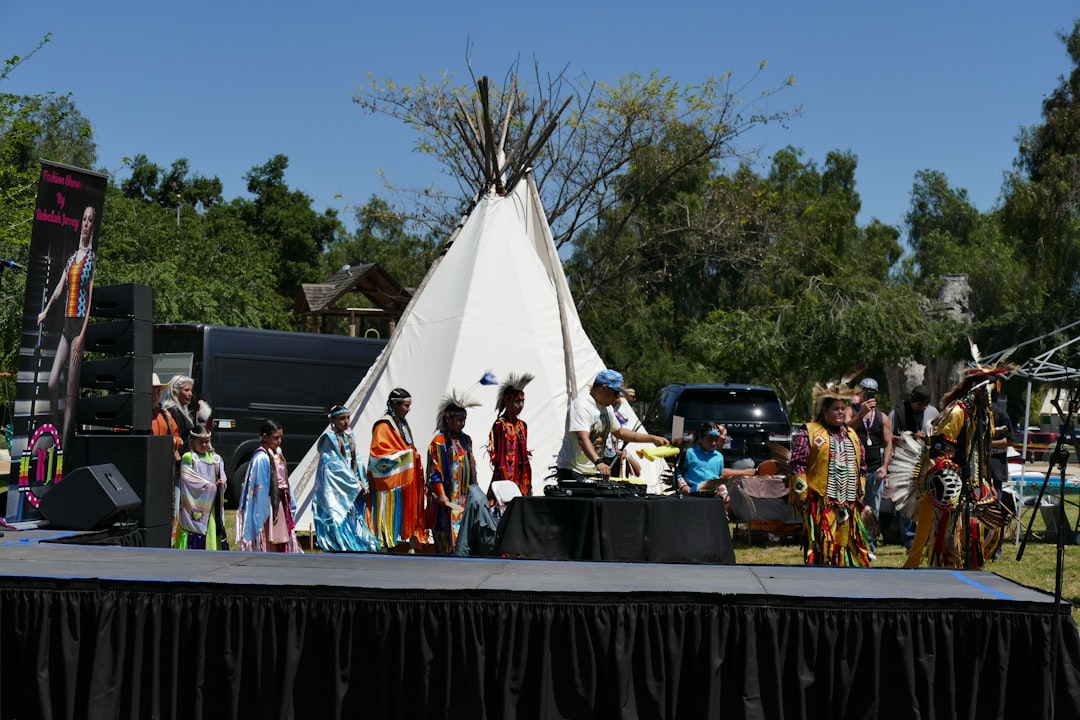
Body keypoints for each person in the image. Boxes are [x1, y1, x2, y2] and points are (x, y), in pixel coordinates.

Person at [902, 364, 1013, 569]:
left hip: (975, 483)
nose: (992, 396)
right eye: (990, 389)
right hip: (954, 485)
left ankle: (968, 569)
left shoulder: (983, 414)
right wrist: (952, 481)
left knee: (981, 530)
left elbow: (981, 453)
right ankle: (946, 569)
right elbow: (939, 452)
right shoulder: (957, 412)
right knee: (951, 534)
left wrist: (986, 481)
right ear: (979, 389)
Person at [789, 379, 873, 567]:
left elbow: (862, 467)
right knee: (823, 546)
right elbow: (798, 464)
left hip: (849, 505)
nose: (841, 412)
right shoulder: (809, 432)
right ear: (824, 411)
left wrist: (860, 492)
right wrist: (802, 495)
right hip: (820, 504)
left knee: (848, 546)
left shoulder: (851, 435)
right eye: (835, 409)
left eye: (843, 408)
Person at [36, 203, 97, 448]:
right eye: (83, 219)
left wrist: (83, 335)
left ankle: (65, 444)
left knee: (71, 392)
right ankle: (58, 431)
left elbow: (90, 298)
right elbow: (60, 288)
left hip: (79, 325)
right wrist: (46, 311)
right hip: (65, 327)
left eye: (90, 220)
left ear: (93, 226)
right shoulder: (72, 258)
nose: (85, 224)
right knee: (52, 383)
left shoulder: (92, 259)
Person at [555, 369, 668, 481]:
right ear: (603, 388)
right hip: (573, 471)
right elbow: (582, 439)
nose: (617, 398)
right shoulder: (581, 406)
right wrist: (599, 462)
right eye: (615, 393)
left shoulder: (607, 408)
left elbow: (620, 433)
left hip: (594, 470)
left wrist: (652, 439)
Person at [313, 405, 379, 552]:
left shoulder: (350, 436)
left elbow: (357, 460)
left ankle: (353, 542)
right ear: (333, 420)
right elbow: (333, 467)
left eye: (348, 418)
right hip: (337, 488)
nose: (346, 421)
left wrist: (361, 479)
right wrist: (354, 482)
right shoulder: (329, 439)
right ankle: (339, 543)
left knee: (353, 517)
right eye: (342, 419)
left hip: (351, 483)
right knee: (338, 515)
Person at [368, 388, 426, 551]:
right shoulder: (383, 425)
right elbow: (378, 454)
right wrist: (407, 456)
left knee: (406, 513)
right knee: (389, 514)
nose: (409, 409)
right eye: (406, 405)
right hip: (390, 483)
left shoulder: (402, 423)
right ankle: (388, 545)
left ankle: (409, 543)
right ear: (395, 404)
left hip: (404, 481)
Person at [236, 419, 302, 553]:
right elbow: (259, 487)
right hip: (269, 504)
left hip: (280, 504)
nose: (279, 441)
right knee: (268, 536)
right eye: (276, 438)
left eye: (280, 438)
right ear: (265, 437)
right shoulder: (261, 458)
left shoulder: (278, 455)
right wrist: (262, 511)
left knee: (280, 538)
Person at [427, 392, 480, 555]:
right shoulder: (439, 442)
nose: (462, 424)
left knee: (463, 542)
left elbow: (472, 470)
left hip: (463, 501)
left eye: (464, 419)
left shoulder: (466, 440)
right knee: (445, 543)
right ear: (447, 419)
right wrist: (441, 495)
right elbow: (434, 472)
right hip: (446, 503)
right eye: (459, 420)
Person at [887, 384, 939, 549]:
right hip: (904, 463)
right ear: (911, 400)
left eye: (924, 406)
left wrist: (928, 437)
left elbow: (939, 434)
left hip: (927, 463)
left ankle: (927, 536)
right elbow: (889, 437)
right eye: (918, 405)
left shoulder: (933, 413)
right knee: (907, 500)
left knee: (929, 500)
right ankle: (909, 540)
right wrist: (909, 438)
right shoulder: (897, 413)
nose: (921, 408)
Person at [848, 378, 893, 550]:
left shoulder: (882, 417)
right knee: (853, 505)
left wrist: (885, 466)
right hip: (853, 468)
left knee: (872, 508)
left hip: (874, 468)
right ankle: (853, 541)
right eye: (865, 392)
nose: (868, 396)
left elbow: (889, 443)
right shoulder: (850, 412)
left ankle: (869, 544)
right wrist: (861, 414)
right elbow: (845, 430)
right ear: (859, 393)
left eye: (871, 393)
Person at [174, 424, 228, 550]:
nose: (204, 445)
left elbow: (223, 476)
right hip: (193, 507)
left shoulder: (215, 458)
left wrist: (222, 483)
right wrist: (212, 487)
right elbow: (188, 479)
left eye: (207, 442)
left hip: (211, 507)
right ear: (192, 441)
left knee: (211, 534)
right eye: (201, 442)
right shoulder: (189, 457)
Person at [675, 422, 756, 498]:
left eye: (716, 440)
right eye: (710, 439)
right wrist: (683, 486)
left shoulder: (719, 457)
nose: (713, 443)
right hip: (691, 493)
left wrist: (724, 493)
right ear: (700, 437)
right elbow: (678, 472)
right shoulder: (689, 453)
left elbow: (718, 477)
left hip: (712, 495)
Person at [488, 372, 534, 498]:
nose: (521, 405)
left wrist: (528, 484)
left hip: (522, 481)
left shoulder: (522, 426)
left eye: (523, 401)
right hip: (505, 482)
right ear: (507, 401)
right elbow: (500, 459)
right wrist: (507, 486)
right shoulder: (500, 425)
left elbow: (524, 456)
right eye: (517, 401)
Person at [150, 374, 182, 462]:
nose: (156, 396)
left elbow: (177, 438)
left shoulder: (165, 414)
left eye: (158, 391)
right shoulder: (135, 414)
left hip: (163, 462)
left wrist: (172, 442)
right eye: (151, 392)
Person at [161, 375, 195, 455]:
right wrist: (179, 462)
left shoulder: (180, 410)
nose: (190, 394)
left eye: (191, 390)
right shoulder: (173, 412)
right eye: (186, 390)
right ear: (174, 392)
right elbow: (174, 439)